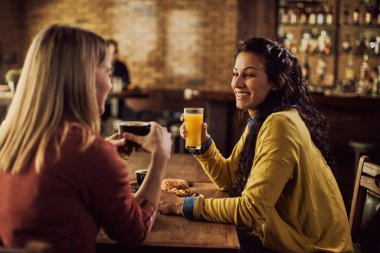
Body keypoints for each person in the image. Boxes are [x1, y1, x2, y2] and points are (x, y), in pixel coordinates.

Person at [159, 37, 353, 252]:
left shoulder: (280, 124)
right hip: (287, 241)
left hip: (311, 248)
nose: (236, 83)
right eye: (235, 74)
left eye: (249, 75)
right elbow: (229, 179)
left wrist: (181, 206)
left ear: (276, 82)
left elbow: (250, 212)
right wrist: (202, 144)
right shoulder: (261, 120)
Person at [0, 25, 172, 253]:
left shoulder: (8, 137)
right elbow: (135, 231)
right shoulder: (89, 152)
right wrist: (160, 158)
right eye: (108, 73)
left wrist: (104, 150)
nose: (111, 85)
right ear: (84, 78)